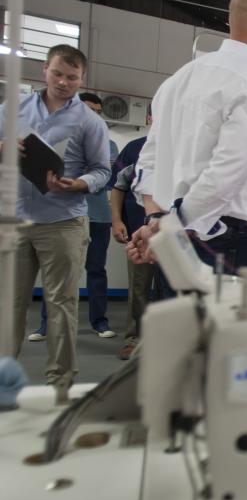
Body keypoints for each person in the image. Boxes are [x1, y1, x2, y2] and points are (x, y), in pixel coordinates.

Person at [128, 0, 247, 285]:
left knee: (178, 330)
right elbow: (227, 174)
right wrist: (169, 227)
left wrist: (156, 222)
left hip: (173, 238)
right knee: (230, 333)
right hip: (228, 243)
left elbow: (147, 162)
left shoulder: (178, 80)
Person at [3, 44, 111, 389]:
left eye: (72, 77)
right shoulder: (12, 109)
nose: (64, 82)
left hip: (64, 222)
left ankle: (60, 382)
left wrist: (79, 183)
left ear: (82, 79)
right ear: (44, 69)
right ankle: (5, 379)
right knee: (9, 304)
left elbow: (102, 171)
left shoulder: (89, 122)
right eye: (58, 73)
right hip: (16, 220)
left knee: (61, 304)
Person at [29, 92, 119, 342]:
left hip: (98, 216)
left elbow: (103, 179)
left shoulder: (108, 144)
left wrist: (80, 176)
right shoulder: (56, 139)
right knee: (56, 274)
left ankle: (99, 322)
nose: (93, 115)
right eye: (89, 109)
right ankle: (46, 325)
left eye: (98, 111)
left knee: (96, 269)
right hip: (62, 215)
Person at [109, 104, 154, 360]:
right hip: (139, 230)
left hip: (174, 234)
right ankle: (134, 338)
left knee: (172, 288)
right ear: (149, 118)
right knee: (139, 288)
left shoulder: (184, 148)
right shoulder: (134, 149)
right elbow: (118, 188)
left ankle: (164, 340)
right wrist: (117, 220)